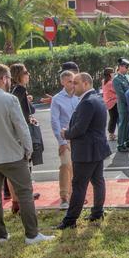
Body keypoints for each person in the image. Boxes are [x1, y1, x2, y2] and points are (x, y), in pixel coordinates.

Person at [0, 64, 54, 245]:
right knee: (25, 193)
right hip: (13, 155)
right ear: (4, 79)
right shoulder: (10, 99)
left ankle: (1, 236)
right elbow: (22, 128)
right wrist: (28, 150)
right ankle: (31, 234)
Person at [55, 73, 112, 229]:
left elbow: (79, 129)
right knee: (98, 181)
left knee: (79, 185)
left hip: (86, 151)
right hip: (96, 149)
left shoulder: (87, 102)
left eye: (76, 83)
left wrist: (66, 133)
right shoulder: (97, 98)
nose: (73, 85)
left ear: (86, 84)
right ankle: (97, 212)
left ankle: (70, 221)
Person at [8, 63, 41, 211]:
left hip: (14, 132)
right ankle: (25, 195)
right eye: (26, 72)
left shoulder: (13, 90)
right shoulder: (20, 89)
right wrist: (29, 119)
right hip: (22, 132)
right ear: (18, 75)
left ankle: (17, 199)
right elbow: (23, 113)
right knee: (26, 162)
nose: (28, 75)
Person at [50, 69, 80, 208]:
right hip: (66, 139)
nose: (73, 84)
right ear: (62, 82)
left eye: (74, 81)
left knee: (77, 167)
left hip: (79, 138)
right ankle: (64, 197)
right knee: (65, 165)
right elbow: (54, 122)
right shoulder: (57, 99)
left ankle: (75, 196)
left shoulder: (79, 96)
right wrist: (61, 142)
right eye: (69, 81)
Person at [113, 59, 129, 151]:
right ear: (120, 67)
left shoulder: (127, 76)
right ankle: (120, 144)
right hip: (123, 105)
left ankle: (128, 140)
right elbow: (121, 95)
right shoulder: (116, 79)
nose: (127, 69)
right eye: (126, 67)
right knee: (123, 124)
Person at [101, 67, 119, 142]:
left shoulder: (104, 81)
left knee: (113, 118)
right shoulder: (111, 83)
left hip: (108, 102)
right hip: (113, 102)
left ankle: (111, 133)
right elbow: (116, 90)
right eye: (113, 73)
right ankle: (111, 134)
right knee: (114, 118)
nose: (114, 74)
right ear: (109, 74)